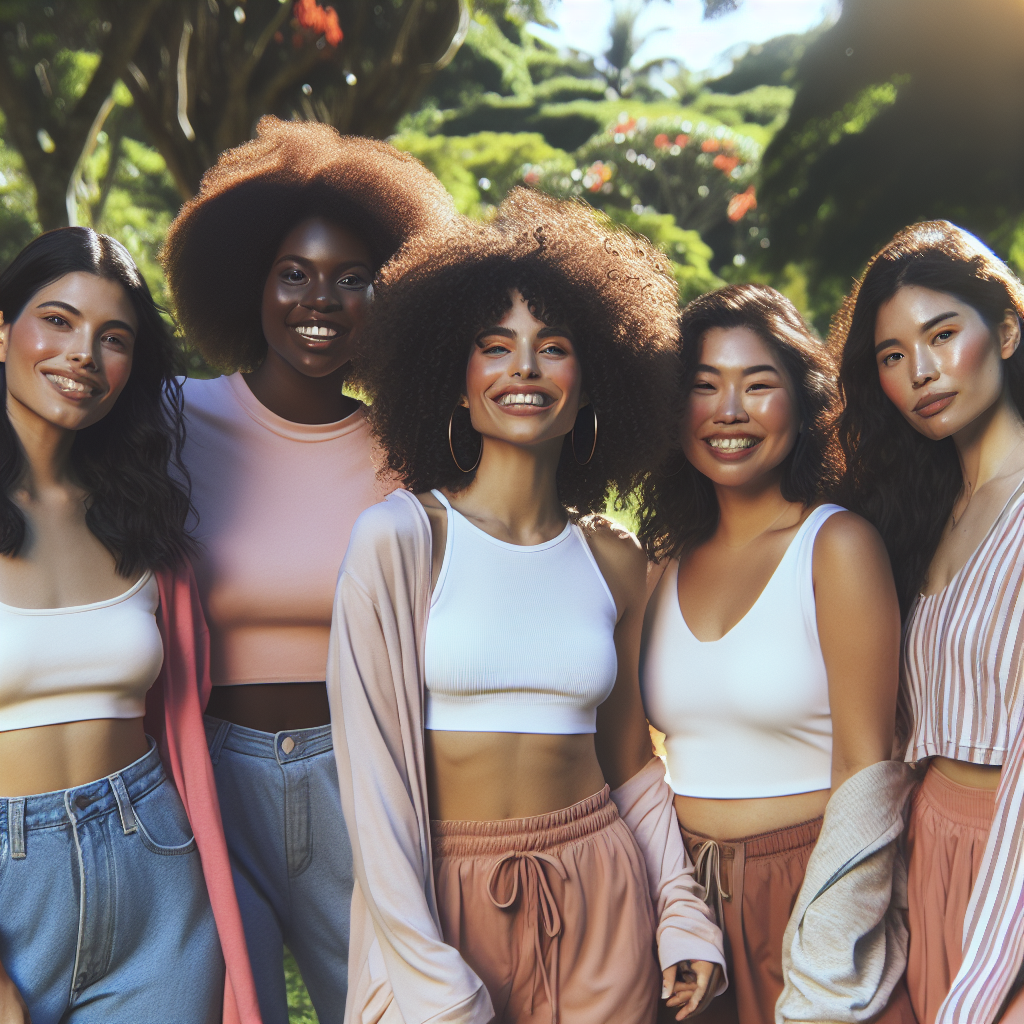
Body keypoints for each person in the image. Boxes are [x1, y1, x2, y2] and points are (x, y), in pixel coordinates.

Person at [329, 189, 726, 1024]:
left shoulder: (614, 558)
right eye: (495, 346)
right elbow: (372, 783)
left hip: (601, 893)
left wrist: (681, 909)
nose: (525, 368)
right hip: (445, 902)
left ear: (591, 383)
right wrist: (428, 972)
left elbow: (631, 761)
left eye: (553, 348)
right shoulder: (401, 539)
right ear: (455, 381)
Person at [160, 116, 455, 1024]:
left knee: (385, 1007)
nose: (319, 300)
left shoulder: (411, 453)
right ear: (251, 284)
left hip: (357, 769)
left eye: (352, 279)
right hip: (208, 773)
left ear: (390, 296)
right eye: (294, 273)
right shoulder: (172, 423)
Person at [0, 228, 260, 1024]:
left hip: (152, 862)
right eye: (58, 320)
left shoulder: (142, 521)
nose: (83, 353)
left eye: (114, 338)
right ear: (3, 330)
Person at [638, 283, 916, 1024]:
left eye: (758, 384)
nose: (729, 410)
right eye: (705, 386)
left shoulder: (835, 545)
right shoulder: (661, 561)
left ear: (803, 402)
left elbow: (867, 769)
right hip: (685, 907)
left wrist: (828, 941)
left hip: (809, 886)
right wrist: (674, 907)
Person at [834, 220, 1024, 1024]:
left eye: (943, 335)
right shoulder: (923, 514)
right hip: (932, 855)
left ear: (1005, 331)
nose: (921, 370)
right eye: (892, 355)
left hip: (1011, 871)